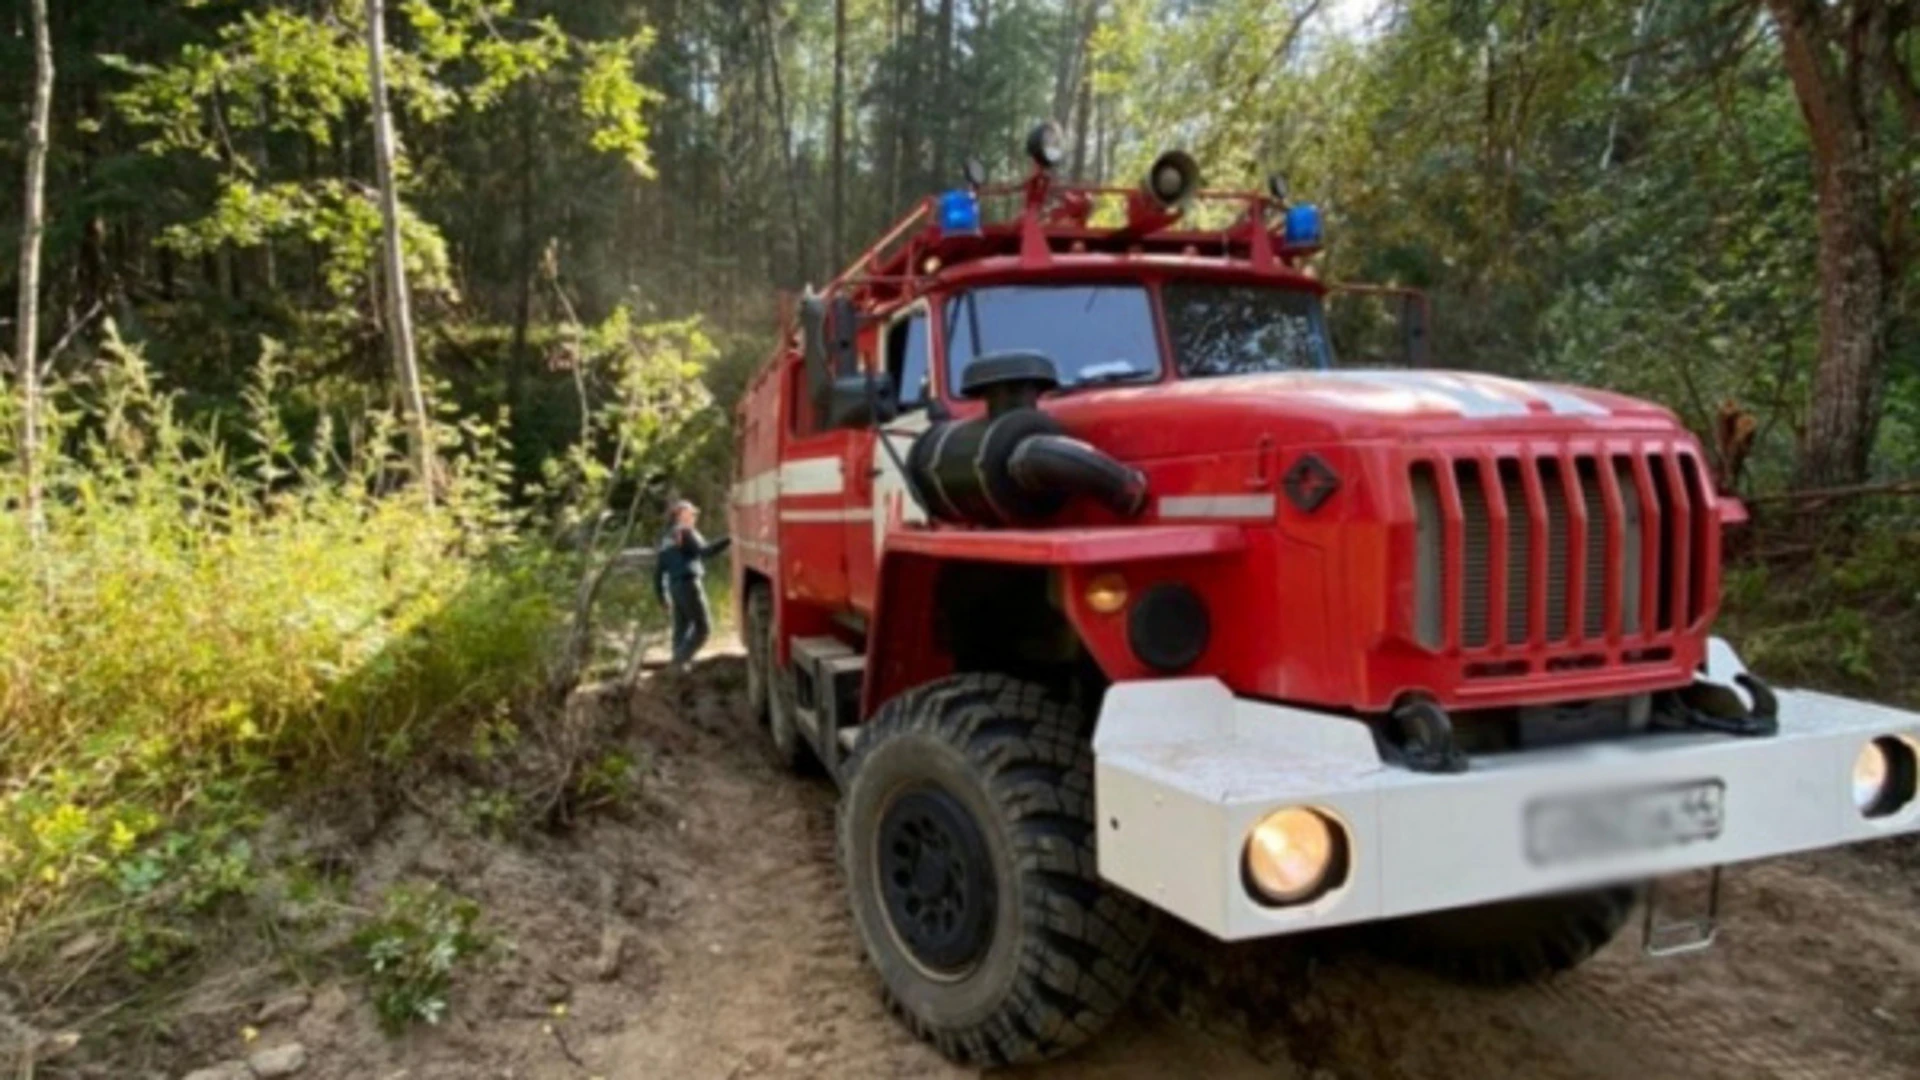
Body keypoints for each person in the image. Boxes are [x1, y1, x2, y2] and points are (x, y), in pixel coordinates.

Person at [655, 499, 731, 671]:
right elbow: (705, 551)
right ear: (681, 514)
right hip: (689, 584)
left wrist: (662, 596)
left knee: (680, 630)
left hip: (675, 588)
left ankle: (677, 669)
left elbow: (658, 572)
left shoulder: (666, 538)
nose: (694, 517)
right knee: (703, 628)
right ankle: (678, 663)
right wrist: (731, 538)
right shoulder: (685, 532)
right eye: (691, 513)